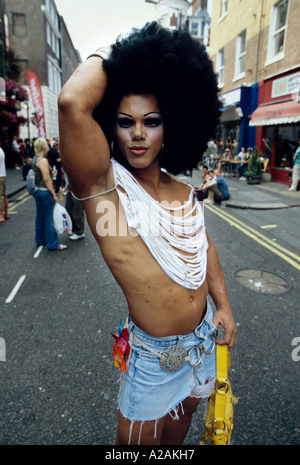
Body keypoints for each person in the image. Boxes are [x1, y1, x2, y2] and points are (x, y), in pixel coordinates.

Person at [58, 22, 236, 445]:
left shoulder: (183, 192)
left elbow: (202, 245)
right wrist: (124, 54)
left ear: (169, 127)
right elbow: (70, 102)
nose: (138, 134)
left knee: (179, 437)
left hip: (204, 342)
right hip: (156, 360)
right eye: (125, 122)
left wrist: (224, 305)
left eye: (151, 121)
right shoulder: (105, 195)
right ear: (110, 130)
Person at [32, 138, 67, 251]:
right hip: (45, 192)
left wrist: (52, 172)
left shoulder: (35, 159)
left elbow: (42, 174)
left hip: (37, 191)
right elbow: (47, 180)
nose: (48, 147)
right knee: (49, 218)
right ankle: (52, 243)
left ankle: (40, 240)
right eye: (46, 146)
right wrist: (54, 195)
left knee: (40, 216)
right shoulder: (43, 161)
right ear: (44, 147)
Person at [0, 141, 9, 223]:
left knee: (0, 196)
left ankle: (1, 215)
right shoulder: (1, 150)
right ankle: (6, 213)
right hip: (2, 175)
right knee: (3, 194)